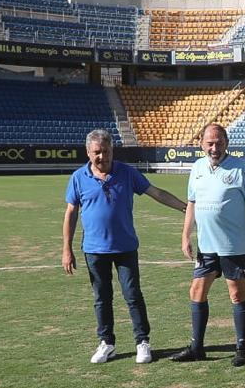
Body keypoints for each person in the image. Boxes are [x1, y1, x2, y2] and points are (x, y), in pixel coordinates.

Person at [62, 129, 186, 364]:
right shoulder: (78, 178)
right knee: (102, 298)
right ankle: (106, 343)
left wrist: (184, 207)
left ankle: (142, 342)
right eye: (97, 152)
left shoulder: (127, 173)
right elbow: (71, 213)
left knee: (133, 295)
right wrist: (66, 249)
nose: (102, 156)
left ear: (112, 151)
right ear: (88, 153)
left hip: (125, 248)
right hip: (94, 250)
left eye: (106, 151)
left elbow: (155, 192)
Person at [173, 123, 245, 367]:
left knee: (236, 294)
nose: (214, 147)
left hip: (233, 246)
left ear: (227, 142)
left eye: (219, 142)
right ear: (201, 143)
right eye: (209, 143)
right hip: (206, 246)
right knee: (196, 292)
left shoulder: (240, 168)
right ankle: (196, 347)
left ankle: (242, 347)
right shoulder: (197, 168)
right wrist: (185, 235)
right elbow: (191, 203)